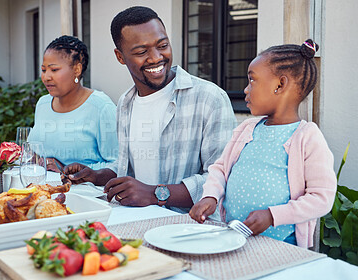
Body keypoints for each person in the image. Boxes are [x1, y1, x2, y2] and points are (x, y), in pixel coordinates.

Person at [63, 6, 236, 212]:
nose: (155, 58)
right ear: (120, 57)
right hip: (137, 221)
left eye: (162, 45)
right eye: (141, 52)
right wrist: (97, 176)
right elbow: (132, 168)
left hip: (189, 229)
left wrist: (156, 194)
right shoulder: (125, 103)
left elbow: (224, 177)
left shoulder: (209, 98)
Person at [189, 39, 337, 248]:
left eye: (252, 80)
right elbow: (220, 170)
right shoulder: (247, 129)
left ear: (280, 84)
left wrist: (272, 215)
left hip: (280, 246)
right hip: (233, 239)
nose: (246, 89)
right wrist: (210, 197)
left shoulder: (307, 137)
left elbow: (321, 197)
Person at [27, 35, 118, 172]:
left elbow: (118, 164)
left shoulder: (101, 107)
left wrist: (67, 169)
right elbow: (34, 150)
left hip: (86, 191)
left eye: (54, 70)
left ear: (77, 70)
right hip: (43, 189)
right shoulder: (43, 104)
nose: (46, 77)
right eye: (44, 70)